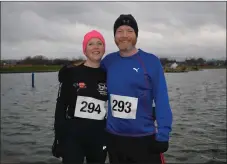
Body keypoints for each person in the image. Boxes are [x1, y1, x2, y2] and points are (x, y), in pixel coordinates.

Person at [101, 14, 173, 164]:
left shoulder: (150, 61)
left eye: (129, 31)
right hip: (114, 139)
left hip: (144, 139)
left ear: (136, 35)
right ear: (114, 36)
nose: (124, 36)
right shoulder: (108, 62)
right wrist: (70, 70)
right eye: (119, 31)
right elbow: (89, 76)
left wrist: (163, 134)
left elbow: (161, 99)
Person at [52, 30, 108, 164]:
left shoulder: (108, 74)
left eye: (99, 43)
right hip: (73, 136)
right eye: (91, 44)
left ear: (104, 48)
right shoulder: (71, 73)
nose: (96, 47)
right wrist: (58, 138)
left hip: (99, 136)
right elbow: (60, 107)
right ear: (85, 50)